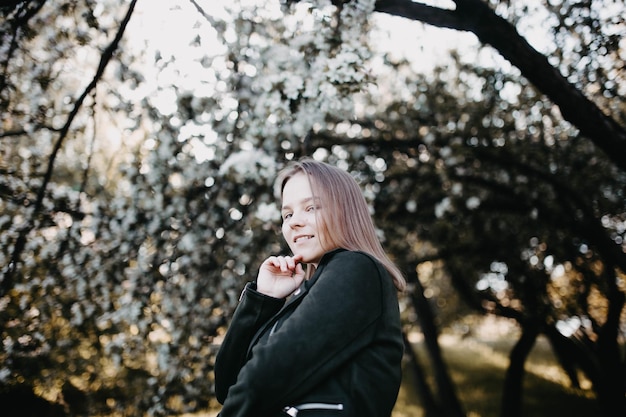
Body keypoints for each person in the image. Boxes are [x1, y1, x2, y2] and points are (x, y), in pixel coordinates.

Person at [214, 157, 406, 417]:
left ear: (344, 211)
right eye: (288, 214)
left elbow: (268, 374)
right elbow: (228, 387)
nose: (293, 222)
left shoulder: (357, 268)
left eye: (311, 207)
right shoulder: (306, 294)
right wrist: (262, 299)